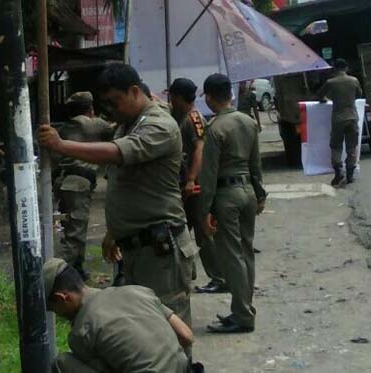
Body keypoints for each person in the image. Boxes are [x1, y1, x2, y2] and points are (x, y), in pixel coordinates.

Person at [39, 64, 198, 331]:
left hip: (160, 249)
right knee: (144, 328)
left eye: (115, 101)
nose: (112, 109)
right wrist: (114, 232)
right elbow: (127, 184)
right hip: (137, 246)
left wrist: (61, 145)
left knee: (169, 329)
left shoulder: (159, 125)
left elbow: (118, 153)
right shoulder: (129, 124)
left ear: (134, 91)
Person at [44, 258, 193, 373]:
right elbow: (186, 336)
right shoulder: (137, 291)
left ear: (62, 298)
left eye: (53, 308)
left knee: (62, 362)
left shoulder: (81, 332)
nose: (57, 314)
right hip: (185, 369)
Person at [198, 73, 264, 334]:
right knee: (246, 252)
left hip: (226, 197)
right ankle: (243, 308)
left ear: (209, 97)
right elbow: (255, 164)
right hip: (247, 191)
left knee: (232, 256)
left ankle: (243, 315)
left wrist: (204, 211)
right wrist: (260, 194)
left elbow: (209, 174)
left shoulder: (215, 128)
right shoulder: (248, 122)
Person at [168, 78, 227, 294]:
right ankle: (187, 273)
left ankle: (219, 278)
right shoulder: (182, 117)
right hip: (186, 185)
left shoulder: (193, 118)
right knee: (184, 229)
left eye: (172, 97)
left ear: (177, 97)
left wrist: (192, 178)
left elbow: (199, 149)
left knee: (203, 232)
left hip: (195, 186)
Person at [54, 92, 115, 280]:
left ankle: (77, 269)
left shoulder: (66, 127)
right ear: (90, 109)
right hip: (78, 183)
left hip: (65, 182)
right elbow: (116, 128)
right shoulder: (90, 123)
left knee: (74, 226)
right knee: (75, 233)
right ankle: (56, 275)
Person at [317, 58, 363, 187]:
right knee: (351, 147)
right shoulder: (354, 81)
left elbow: (320, 95)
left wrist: (325, 99)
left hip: (338, 119)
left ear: (334, 69)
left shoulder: (330, 82)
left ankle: (338, 171)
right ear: (346, 68)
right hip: (352, 118)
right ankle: (349, 174)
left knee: (336, 146)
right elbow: (359, 95)